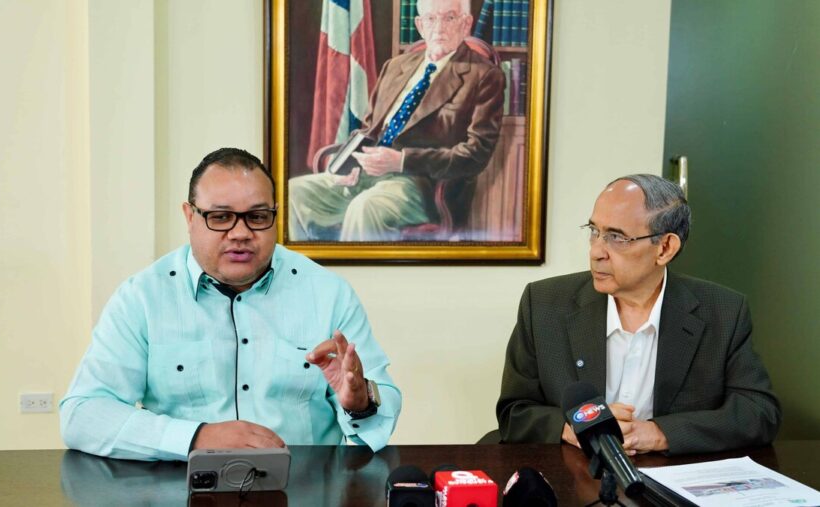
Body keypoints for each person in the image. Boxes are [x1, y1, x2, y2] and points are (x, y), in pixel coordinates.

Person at [60, 148, 401, 461]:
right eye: (221, 217)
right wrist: (196, 437)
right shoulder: (143, 297)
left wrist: (360, 402)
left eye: (257, 216)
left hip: (303, 489)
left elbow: (381, 397)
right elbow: (82, 414)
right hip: (178, 490)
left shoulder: (328, 293)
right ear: (189, 217)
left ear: (275, 215)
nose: (240, 233)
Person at [496, 174, 781, 455]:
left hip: (669, 474)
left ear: (665, 248)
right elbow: (514, 411)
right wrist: (573, 428)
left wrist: (660, 433)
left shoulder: (722, 311)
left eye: (616, 237)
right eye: (594, 231)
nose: (596, 251)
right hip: (573, 470)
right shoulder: (544, 304)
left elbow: (759, 413)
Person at [288, 0, 505, 241]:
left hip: (421, 185)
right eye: (431, 19)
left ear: (466, 24)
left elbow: (476, 154)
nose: (439, 28)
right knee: (294, 193)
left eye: (449, 18)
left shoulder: (484, 76)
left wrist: (401, 161)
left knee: (365, 207)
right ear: (420, 25)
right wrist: (347, 165)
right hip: (366, 172)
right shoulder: (395, 66)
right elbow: (368, 129)